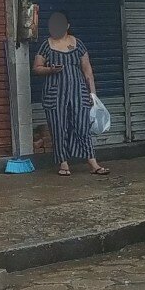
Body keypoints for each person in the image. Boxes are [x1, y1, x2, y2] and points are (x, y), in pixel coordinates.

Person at [32, 11, 109, 177]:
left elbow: (87, 70)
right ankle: (64, 163)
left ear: (67, 26)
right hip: (54, 94)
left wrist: (92, 94)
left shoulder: (78, 44)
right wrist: (50, 69)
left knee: (82, 126)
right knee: (58, 128)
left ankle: (92, 162)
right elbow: (36, 67)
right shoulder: (46, 45)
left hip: (78, 93)